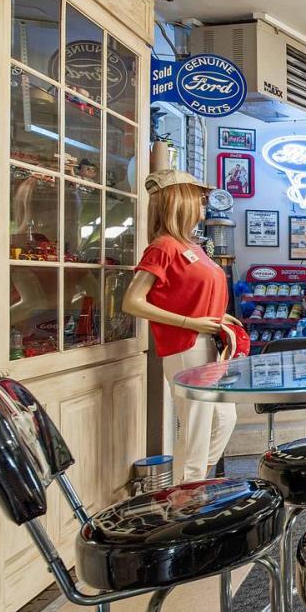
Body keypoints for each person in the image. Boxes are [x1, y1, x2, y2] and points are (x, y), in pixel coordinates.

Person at [122, 169, 237, 483]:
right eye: (198, 199)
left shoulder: (192, 246)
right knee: (197, 425)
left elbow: (189, 293)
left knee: (223, 419)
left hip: (208, 342)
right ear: (180, 201)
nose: (203, 205)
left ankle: (189, 483)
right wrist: (190, 321)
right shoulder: (163, 247)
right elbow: (133, 302)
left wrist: (218, 316)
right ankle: (187, 493)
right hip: (187, 345)